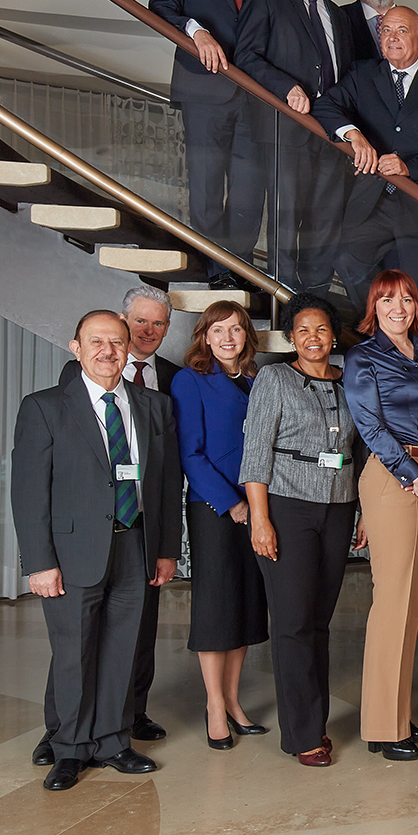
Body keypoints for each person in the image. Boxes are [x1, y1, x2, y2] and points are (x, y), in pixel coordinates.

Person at [12, 310, 179, 791]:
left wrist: (166, 549)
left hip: (136, 545)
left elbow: (167, 482)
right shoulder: (44, 407)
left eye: (117, 342)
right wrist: (39, 562)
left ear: (129, 349)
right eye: (96, 342)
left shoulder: (153, 405)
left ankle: (112, 742)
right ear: (76, 347)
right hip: (71, 552)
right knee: (74, 654)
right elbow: (27, 493)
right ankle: (69, 748)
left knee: (122, 651)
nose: (108, 351)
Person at [147, 0, 283, 288]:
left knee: (248, 193)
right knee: (206, 187)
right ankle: (214, 271)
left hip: (256, 101)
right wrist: (195, 30)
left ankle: (237, 270)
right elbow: (160, 6)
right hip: (204, 90)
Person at [241, 297, 360, 766]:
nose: (314, 338)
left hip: (338, 507)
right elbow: (255, 452)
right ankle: (303, 735)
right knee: (292, 623)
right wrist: (260, 517)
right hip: (287, 507)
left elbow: (363, 447)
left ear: (334, 336)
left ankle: (316, 721)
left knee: (319, 622)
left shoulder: (350, 381)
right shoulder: (274, 379)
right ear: (292, 338)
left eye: (322, 330)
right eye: (303, 331)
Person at [344, 270, 418, 763]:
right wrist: (412, 472)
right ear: (374, 306)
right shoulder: (364, 357)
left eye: (407, 298)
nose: (398, 308)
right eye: (387, 300)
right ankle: (383, 726)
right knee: (392, 601)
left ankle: (398, 712)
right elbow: (369, 424)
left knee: (412, 602)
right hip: (394, 475)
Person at [311, 6, 418, 311]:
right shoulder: (362, 74)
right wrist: (353, 135)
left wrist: (410, 167)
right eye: (386, 31)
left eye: (402, 31)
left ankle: (417, 351)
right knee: (345, 259)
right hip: (372, 202)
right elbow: (325, 106)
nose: (392, 37)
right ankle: (383, 323)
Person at [235, 0, 357, 294]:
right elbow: (246, 55)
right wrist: (286, 87)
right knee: (285, 219)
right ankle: (282, 299)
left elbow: (346, 76)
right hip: (284, 129)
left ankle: (315, 299)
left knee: (325, 221)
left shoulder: (338, 15)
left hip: (331, 138)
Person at [170, 300, 270, 751]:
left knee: (246, 604)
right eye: (219, 330)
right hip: (216, 509)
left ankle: (233, 700)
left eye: (236, 329)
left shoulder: (256, 380)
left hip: (257, 506)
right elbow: (190, 453)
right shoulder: (190, 381)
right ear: (205, 337)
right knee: (216, 608)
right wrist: (231, 504)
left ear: (247, 336)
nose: (228, 338)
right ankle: (213, 705)